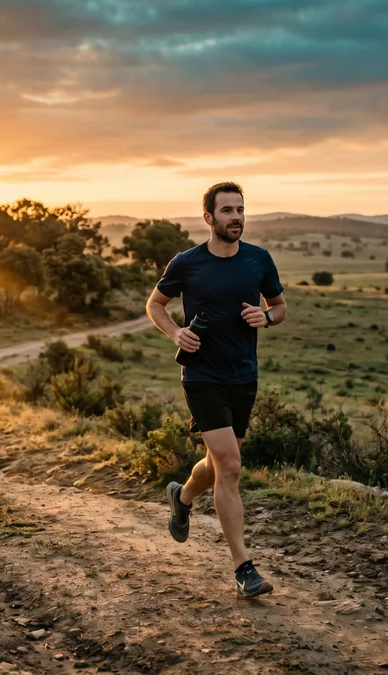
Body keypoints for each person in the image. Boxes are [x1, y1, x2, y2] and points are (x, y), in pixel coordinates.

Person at [144, 181, 287, 597]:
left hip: (244, 375)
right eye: (227, 211)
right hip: (202, 377)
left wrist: (267, 318)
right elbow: (156, 305)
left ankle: (183, 496)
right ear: (209, 217)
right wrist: (175, 333)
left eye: (240, 210)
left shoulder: (259, 260)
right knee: (231, 466)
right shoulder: (187, 263)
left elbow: (280, 306)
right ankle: (244, 568)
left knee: (218, 463)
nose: (236, 217)